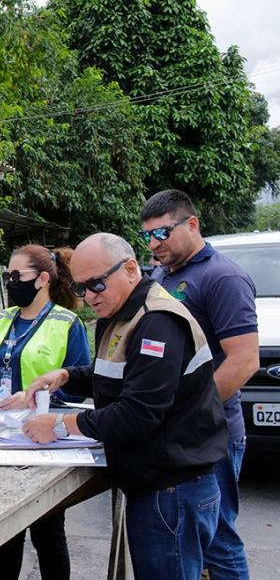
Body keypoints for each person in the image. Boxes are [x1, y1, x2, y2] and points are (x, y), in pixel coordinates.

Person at [23, 233, 228, 580]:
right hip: (156, 484)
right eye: (80, 288)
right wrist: (66, 376)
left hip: (172, 488)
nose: (88, 297)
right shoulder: (121, 310)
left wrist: (60, 425)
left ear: (131, 269)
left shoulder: (157, 322)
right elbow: (117, 376)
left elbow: (138, 414)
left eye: (96, 285)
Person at [0, 244, 91, 580]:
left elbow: (80, 381)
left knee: (47, 530)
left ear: (41, 280)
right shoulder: (0, 320)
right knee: (3, 533)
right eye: (8, 275)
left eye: (16, 276)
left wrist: (36, 394)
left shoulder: (67, 324)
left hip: (42, 438)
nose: (10, 282)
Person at [140, 189, 258, 580]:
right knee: (190, 538)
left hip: (211, 431)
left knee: (218, 538)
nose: (155, 244)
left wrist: (188, 414)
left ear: (192, 224)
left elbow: (243, 360)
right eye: (148, 236)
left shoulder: (221, 276)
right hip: (173, 430)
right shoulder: (161, 275)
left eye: (163, 233)